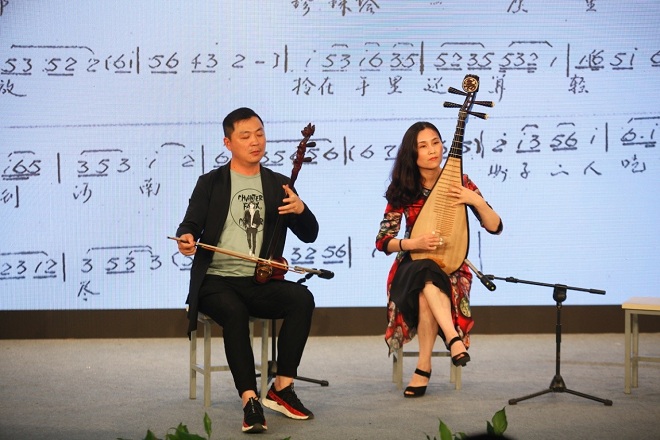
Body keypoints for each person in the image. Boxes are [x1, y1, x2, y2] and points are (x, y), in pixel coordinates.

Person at [175, 107, 319, 433]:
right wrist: (186, 238)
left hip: (258, 280)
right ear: (228, 143)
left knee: (302, 299)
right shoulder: (211, 183)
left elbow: (309, 234)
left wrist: (301, 209)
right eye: (245, 136)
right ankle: (250, 400)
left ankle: (282, 388)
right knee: (234, 312)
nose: (255, 142)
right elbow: (190, 224)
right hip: (216, 281)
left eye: (259, 134)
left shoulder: (279, 184)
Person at [375, 121, 502, 398]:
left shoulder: (461, 183)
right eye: (423, 146)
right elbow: (383, 241)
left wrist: (475, 200)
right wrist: (414, 243)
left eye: (436, 142)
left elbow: (495, 226)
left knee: (427, 287)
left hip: (452, 268)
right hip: (410, 266)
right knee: (424, 272)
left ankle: (424, 367)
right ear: (412, 154)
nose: (433, 150)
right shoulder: (403, 188)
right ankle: (453, 339)